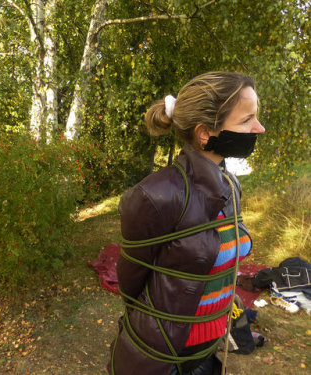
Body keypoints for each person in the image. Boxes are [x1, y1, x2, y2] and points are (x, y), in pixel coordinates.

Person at [108, 71, 265, 375]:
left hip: (208, 348)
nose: (259, 128)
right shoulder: (157, 195)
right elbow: (131, 281)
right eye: (247, 120)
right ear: (205, 133)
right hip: (162, 354)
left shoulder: (230, 185)